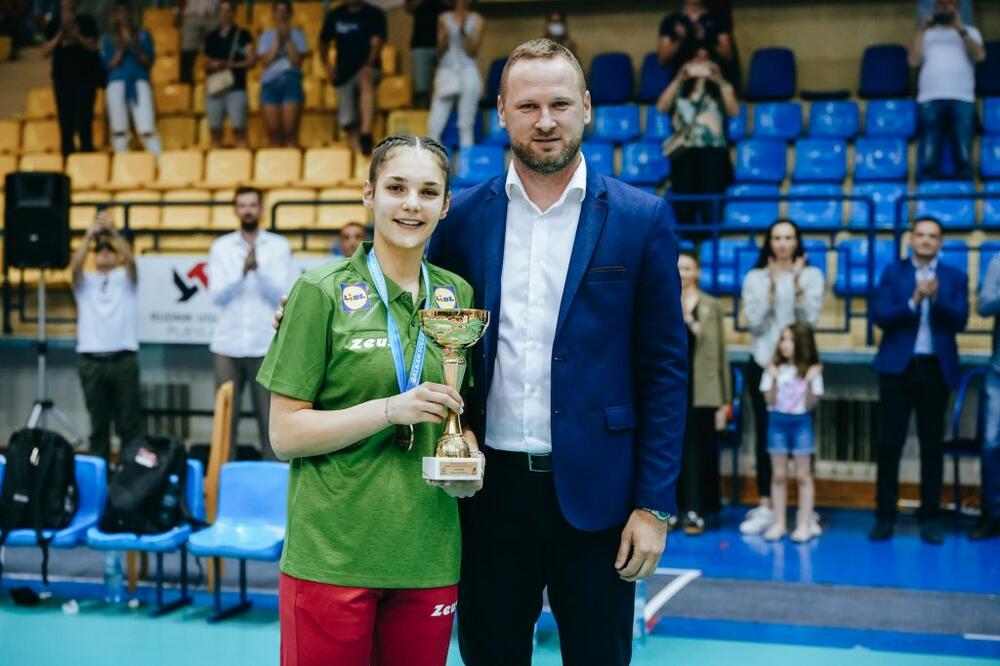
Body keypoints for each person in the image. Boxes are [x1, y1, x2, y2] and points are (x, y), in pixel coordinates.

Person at [428, 39, 688, 666]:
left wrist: (654, 504)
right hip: (487, 497)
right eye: (528, 106)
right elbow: (422, 325)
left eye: (560, 105)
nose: (545, 121)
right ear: (501, 112)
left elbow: (665, 371)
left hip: (600, 501)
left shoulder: (641, 218)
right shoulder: (460, 221)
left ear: (587, 108)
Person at [258, 135, 480, 666]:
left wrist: (466, 453)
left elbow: (457, 414)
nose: (412, 204)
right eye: (396, 188)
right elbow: (284, 435)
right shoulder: (320, 291)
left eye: (428, 192)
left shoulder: (457, 296)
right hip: (333, 555)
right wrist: (388, 410)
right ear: (369, 193)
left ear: (446, 205)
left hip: (427, 554)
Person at [870, 216, 968, 544]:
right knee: (888, 444)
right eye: (921, 235)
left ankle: (930, 517)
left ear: (940, 242)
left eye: (933, 236)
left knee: (932, 446)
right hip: (897, 369)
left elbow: (961, 320)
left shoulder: (954, 276)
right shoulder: (892, 272)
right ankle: (884, 516)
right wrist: (913, 300)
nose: (926, 240)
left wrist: (937, 299)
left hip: (935, 369)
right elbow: (880, 316)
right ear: (911, 239)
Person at [739, 219, 824, 536]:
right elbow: (754, 322)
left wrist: (797, 285)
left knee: (802, 438)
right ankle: (766, 505)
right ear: (769, 243)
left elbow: (810, 320)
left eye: (789, 237)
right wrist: (772, 290)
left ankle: (805, 511)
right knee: (766, 435)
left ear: (797, 242)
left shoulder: (812, 275)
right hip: (764, 364)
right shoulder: (755, 277)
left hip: (800, 368)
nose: (783, 243)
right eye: (777, 237)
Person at [207, 186, 292, 461]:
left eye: (252, 205)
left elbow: (283, 293)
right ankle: (222, 476)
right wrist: (242, 272)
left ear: (261, 209)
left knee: (270, 420)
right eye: (242, 205)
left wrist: (259, 271)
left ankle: (272, 479)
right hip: (227, 345)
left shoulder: (279, 246)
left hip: (266, 345)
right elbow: (216, 295)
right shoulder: (221, 247)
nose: (247, 211)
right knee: (225, 420)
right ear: (235, 209)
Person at [69, 211, 141, 463]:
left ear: (116, 254)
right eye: (99, 250)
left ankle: (129, 473)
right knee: (98, 424)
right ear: (94, 255)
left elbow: (132, 262)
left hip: (123, 358)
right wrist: (89, 236)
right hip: (92, 361)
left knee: (129, 423)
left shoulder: (125, 280)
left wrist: (113, 233)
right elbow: (74, 268)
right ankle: (100, 473)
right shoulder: (86, 282)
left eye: (109, 250)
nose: (105, 253)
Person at [676, 250, 730, 535]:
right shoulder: (663, 300)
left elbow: (721, 354)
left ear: (697, 271)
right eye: (679, 268)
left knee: (699, 451)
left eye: (688, 268)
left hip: (702, 389)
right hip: (674, 388)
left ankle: (696, 510)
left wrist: (724, 401)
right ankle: (670, 510)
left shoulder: (712, 305)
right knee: (673, 451)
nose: (683, 274)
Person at [655, 46, 738, 227]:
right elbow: (661, 107)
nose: (701, 63)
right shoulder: (680, 88)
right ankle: (687, 239)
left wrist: (719, 80)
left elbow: (734, 111)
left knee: (711, 203)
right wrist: (679, 78)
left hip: (713, 151)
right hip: (684, 151)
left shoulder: (719, 89)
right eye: (696, 59)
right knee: (684, 204)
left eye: (706, 59)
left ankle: (709, 239)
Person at [759, 323, 823, 543]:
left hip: (801, 423)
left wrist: (809, 380)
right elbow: (769, 399)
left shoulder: (811, 370)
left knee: (803, 476)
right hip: (777, 423)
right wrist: (775, 378)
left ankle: (804, 523)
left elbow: (810, 403)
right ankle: (779, 522)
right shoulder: (773, 369)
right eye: (783, 339)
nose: (785, 345)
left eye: (791, 340)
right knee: (779, 475)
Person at [909, 0, 985, 180]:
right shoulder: (926, 34)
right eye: (941, 5)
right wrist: (922, 30)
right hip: (930, 98)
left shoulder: (971, 31)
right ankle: (928, 189)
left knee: (964, 154)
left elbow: (980, 55)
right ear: (935, 8)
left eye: (949, 4)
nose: (944, 8)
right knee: (928, 154)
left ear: (957, 7)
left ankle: (964, 189)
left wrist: (960, 29)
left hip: (962, 97)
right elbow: (913, 61)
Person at [320, 0, 387, 156]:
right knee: (349, 123)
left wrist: (368, 65)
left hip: (369, 69)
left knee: (365, 77)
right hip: (344, 74)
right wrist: (327, 65)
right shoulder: (335, 15)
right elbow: (323, 42)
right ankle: (360, 159)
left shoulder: (375, 14)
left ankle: (366, 132)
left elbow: (376, 44)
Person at [42, 0, 103, 156]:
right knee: (65, 123)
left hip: (85, 80)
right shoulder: (53, 24)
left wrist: (76, 35)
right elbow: (45, 51)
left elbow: (93, 47)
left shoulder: (87, 22)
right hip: (62, 80)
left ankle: (86, 155)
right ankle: (67, 157)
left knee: (84, 122)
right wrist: (60, 34)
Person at [100, 0, 161, 156]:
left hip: (139, 82)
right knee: (119, 131)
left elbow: (148, 62)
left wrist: (133, 44)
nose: (123, 16)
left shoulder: (143, 35)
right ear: (115, 16)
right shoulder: (108, 38)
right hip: (116, 84)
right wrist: (122, 46)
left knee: (146, 129)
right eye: (119, 13)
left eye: (126, 12)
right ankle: (122, 164)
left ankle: (158, 162)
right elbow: (108, 65)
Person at [426, 0, 483, 149]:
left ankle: (467, 162)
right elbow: (439, 51)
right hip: (447, 71)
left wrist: (463, 31)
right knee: (434, 125)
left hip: (469, 71)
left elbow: (473, 51)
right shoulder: (443, 18)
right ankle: (431, 160)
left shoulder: (478, 19)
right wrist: (443, 38)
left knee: (466, 124)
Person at [973, 252, 1000, 540]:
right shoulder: (998, 262)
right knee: (992, 444)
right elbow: (984, 305)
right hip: (999, 372)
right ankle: (992, 514)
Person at [257, 0, 308, 147]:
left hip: (291, 81)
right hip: (269, 84)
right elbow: (266, 61)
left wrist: (288, 39)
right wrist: (277, 39)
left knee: (290, 132)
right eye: (278, 11)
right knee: (274, 134)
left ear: (290, 14)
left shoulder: (298, 34)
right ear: (273, 14)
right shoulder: (266, 36)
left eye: (284, 11)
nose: (281, 15)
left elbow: (297, 61)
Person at [202, 0, 253, 147]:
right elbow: (204, 63)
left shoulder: (243, 34)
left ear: (233, 13)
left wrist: (232, 65)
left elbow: (251, 61)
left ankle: (242, 156)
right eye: (221, 11)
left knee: (239, 128)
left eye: (227, 11)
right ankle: (216, 156)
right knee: (215, 130)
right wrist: (215, 64)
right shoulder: (211, 36)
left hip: (236, 88)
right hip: (215, 89)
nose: (224, 14)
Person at [657, 0, 736, 83]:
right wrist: (680, 39)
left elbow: (728, 57)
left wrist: (708, 37)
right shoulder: (671, 20)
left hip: (713, 81)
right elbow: (662, 61)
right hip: (681, 82)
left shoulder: (718, 19)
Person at [405, 0, 449, 109]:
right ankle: (423, 117)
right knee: (422, 91)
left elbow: (456, 5)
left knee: (448, 88)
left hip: (446, 44)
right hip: (421, 44)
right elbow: (409, 8)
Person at [176, 0, 216, 85]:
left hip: (214, 14)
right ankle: (186, 86)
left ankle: (217, 84)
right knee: (187, 50)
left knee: (216, 51)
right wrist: (181, 11)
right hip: (192, 13)